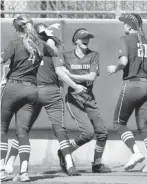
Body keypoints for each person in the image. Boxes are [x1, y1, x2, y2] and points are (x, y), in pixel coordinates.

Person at [4, 22, 84, 178]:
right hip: (49, 91)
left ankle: (8, 163)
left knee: (22, 130)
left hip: (32, 91)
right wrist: (75, 85)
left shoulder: (26, 46)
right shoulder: (49, 50)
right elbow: (60, 71)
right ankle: (69, 163)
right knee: (59, 130)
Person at [1, 15, 61, 182]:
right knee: (23, 133)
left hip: (13, 87)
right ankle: (24, 172)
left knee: (2, 129)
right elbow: (55, 51)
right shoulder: (40, 44)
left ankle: (1, 171)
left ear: (15, 29)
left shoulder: (14, 43)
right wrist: (47, 35)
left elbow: (1, 60)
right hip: (31, 90)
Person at [106, 14, 147, 173]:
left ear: (130, 26)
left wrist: (115, 68)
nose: (123, 25)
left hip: (132, 85)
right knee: (144, 126)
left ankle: (136, 153)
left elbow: (123, 62)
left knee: (118, 122)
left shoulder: (125, 39)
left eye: (125, 23)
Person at [63, 28, 111, 173]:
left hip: (89, 98)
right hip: (74, 99)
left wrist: (71, 75)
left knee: (102, 133)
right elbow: (61, 74)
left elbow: (91, 76)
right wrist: (71, 79)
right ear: (76, 40)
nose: (86, 40)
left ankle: (97, 164)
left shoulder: (93, 55)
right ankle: (65, 152)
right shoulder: (66, 56)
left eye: (88, 38)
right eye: (83, 37)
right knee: (88, 133)